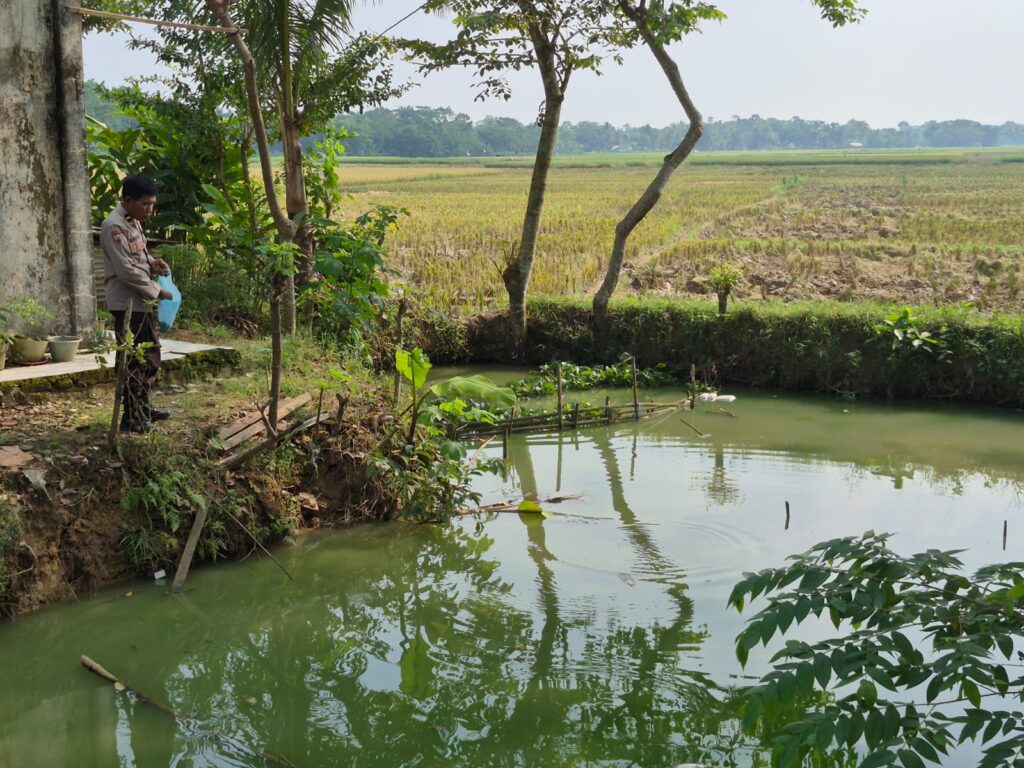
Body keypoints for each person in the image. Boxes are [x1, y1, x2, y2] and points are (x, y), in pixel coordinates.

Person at [99, 174, 173, 433]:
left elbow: (138, 254)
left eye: (152, 204)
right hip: (127, 302)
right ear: (128, 200)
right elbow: (125, 270)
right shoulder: (113, 226)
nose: (150, 210)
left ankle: (142, 407)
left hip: (141, 300)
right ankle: (132, 418)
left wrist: (153, 263)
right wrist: (158, 291)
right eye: (145, 204)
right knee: (134, 361)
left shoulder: (133, 221)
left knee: (150, 356)